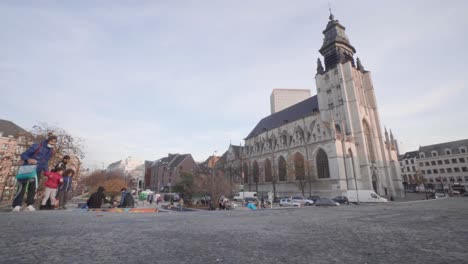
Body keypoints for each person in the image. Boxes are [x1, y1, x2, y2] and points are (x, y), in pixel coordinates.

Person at [12, 135, 57, 212]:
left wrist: (47, 171)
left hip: (37, 170)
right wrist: (28, 159)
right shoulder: (37, 146)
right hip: (27, 169)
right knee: (22, 187)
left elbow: (45, 161)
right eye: (52, 141)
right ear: (48, 140)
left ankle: (29, 204)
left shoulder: (51, 151)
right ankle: (17, 205)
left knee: (33, 188)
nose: (53, 143)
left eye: (54, 142)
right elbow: (24, 154)